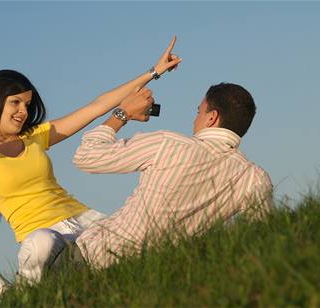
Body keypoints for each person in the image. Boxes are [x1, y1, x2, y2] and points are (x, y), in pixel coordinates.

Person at [0, 37, 182, 301]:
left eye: (27, 104)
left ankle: (13, 294)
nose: (23, 111)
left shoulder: (35, 136)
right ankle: (23, 297)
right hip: (43, 236)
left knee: (138, 246)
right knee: (40, 243)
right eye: (15, 102)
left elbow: (96, 107)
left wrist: (153, 72)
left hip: (84, 220)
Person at [65, 82, 274, 269]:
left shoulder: (169, 144)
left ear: (212, 117)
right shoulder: (253, 178)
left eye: (198, 112)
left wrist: (122, 113)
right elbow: (261, 237)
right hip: (163, 271)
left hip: (92, 259)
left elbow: (86, 156)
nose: (195, 120)